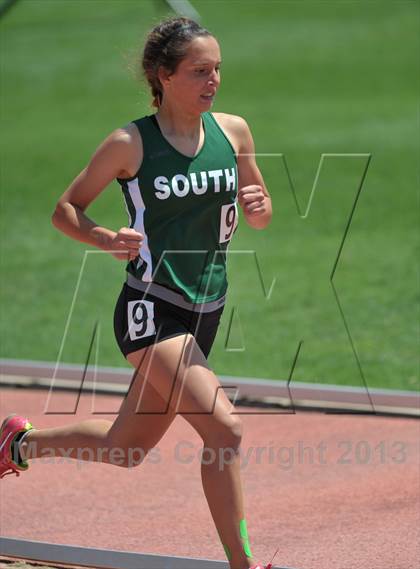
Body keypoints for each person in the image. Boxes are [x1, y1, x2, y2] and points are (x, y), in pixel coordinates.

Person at [0, 17, 273, 569]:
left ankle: (19, 444)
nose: (213, 79)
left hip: (207, 311)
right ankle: (243, 566)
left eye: (217, 68)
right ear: (163, 75)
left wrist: (259, 208)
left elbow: (257, 205)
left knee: (124, 449)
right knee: (225, 429)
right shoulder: (130, 143)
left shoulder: (234, 131)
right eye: (200, 70)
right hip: (152, 308)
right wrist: (103, 237)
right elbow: (66, 209)